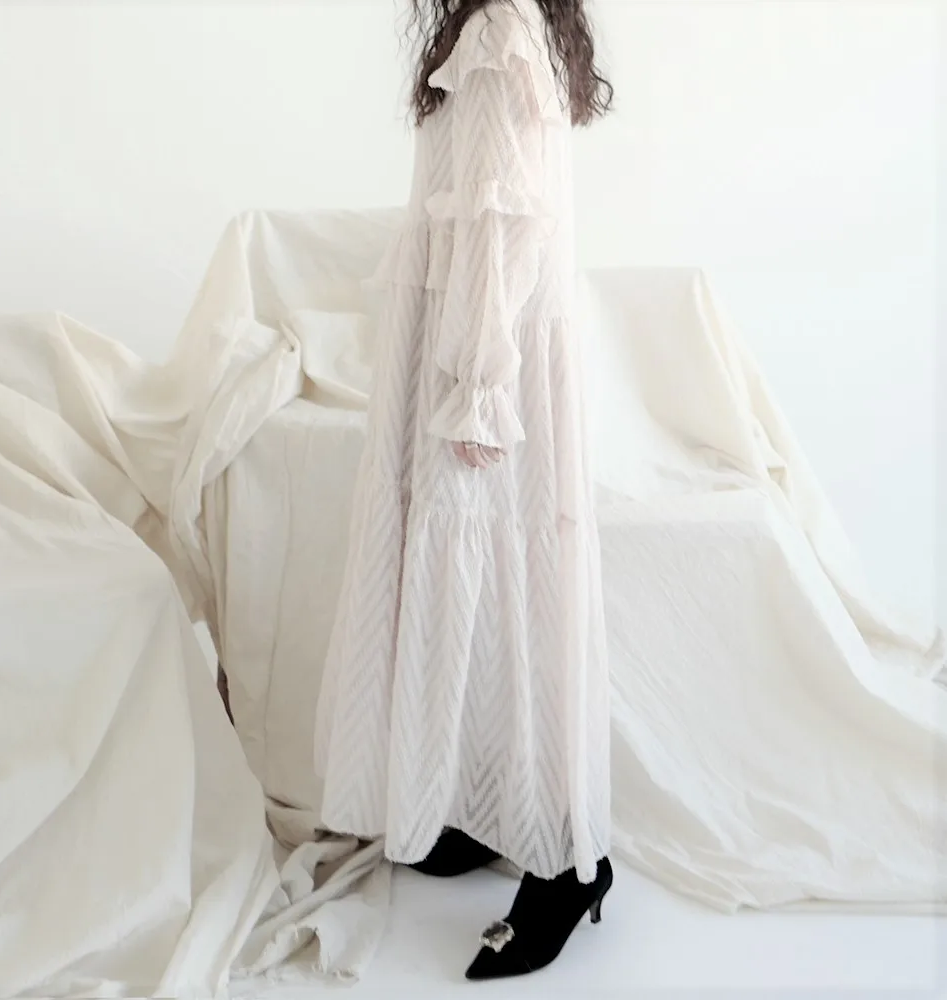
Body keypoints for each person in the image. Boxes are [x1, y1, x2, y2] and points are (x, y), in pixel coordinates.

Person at [315, 0, 615, 979]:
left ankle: (565, 858)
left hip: (485, 369)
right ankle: (487, 806)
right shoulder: (510, 27)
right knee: (491, 585)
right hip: (480, 352)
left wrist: (478, 388)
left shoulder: (496, 35)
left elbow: (501, 225)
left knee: (508, 589)